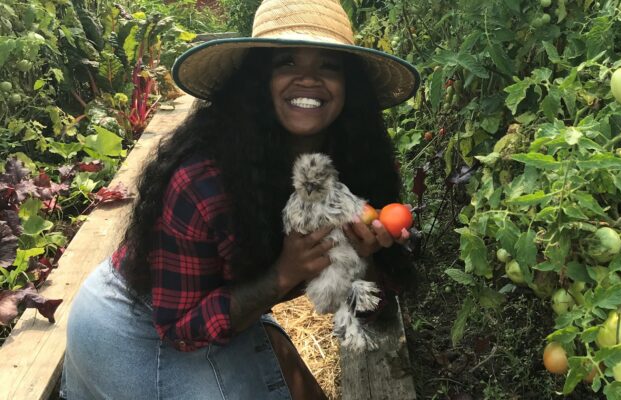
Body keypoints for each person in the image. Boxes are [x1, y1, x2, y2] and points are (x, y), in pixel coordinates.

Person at [60, 0, 419, 398]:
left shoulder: (349, 164)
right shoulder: (203, 180)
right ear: (258, 81)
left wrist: (363, 258)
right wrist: (285, 272)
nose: (308, 79)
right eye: (286, 62)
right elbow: (181, 327)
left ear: (349, 86)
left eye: (328, 66)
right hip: (133, 324)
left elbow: (369, 309)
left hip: (214, 310)